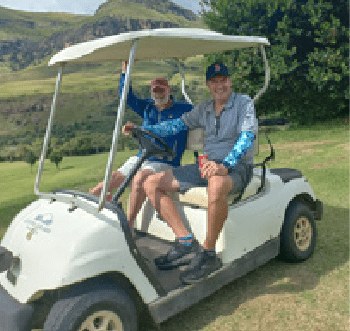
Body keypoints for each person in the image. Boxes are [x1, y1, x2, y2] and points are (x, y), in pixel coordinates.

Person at [124, 62, 256, 284]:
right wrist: (142, 129)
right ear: (208, 85)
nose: (219, 85)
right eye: (214, 82)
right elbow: (174, 126)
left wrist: (225, 165)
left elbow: (247, 136)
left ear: (230, 82)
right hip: (206, 166)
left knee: (216, 184)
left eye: (223, 80)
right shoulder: (204, 109)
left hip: (237, 167)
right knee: (151, 183)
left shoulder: (244, 103)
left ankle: (208, 254)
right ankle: (185, 241)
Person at [91, 61, 192, 228]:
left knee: (138, 179)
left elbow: (203, 115)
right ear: (151, 93)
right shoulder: (148, 107)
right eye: (155, 90)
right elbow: (126, 96)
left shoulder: (183, 109)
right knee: (109, 182)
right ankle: (96, 219)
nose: (158, 94)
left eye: (162, 90)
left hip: (166, 161)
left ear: (169, 91)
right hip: (143, 157)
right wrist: (125, 72)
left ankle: (128, 226)